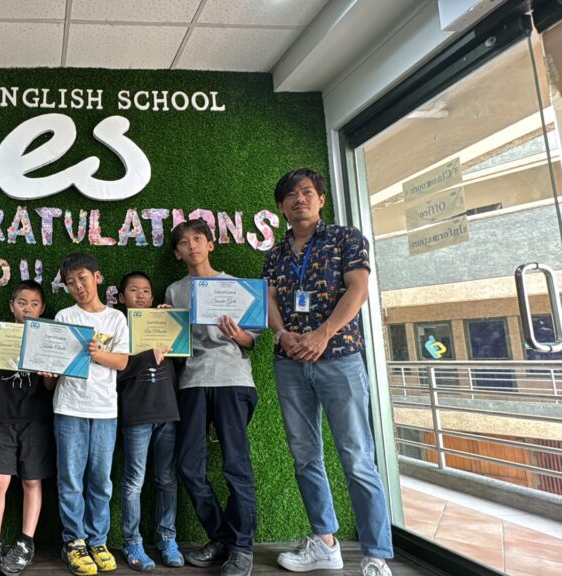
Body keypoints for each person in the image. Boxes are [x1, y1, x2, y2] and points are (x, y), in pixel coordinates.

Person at [263, 168, 393, 576]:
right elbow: (268, 299)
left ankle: (375, 555)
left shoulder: (346, 238)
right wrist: (282, 335)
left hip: (339, 357)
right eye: (291, 195)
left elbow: (358, 289)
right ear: (281, 206)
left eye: (307, 192)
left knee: (357, 458)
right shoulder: (275, 254)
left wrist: (323, 333)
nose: (299, 199)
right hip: (289, 363)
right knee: (305, 457)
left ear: (321, 199)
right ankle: (324, 543)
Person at [165, 219, 259, 576]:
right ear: (178, 253)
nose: (192, 246)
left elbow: (251, 341)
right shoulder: (174, 291)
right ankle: (223, 538)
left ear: (210, 244)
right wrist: (166, 326)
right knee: (188, 465)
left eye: (198, 239)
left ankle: (242, 549)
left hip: (232, 379)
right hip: (192, 381)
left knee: (236, 465)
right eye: (184, 243)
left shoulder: (236, 286)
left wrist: (236, 334)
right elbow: (175, 345)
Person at [52, 252, 129, 576]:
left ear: (97, 277)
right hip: (68, 407)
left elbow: (122, 361)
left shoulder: (116, 319)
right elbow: (54, 359)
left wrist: (98, 354)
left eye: (82, 279)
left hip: (105, 410)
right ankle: (75, 541)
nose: (78, 287)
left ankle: (98, 541)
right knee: (70, 479)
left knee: (100, 479)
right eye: (71, 283)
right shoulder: (63, 316)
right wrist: (49, 371)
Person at [0, 280, 53, 576]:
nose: (27, 309)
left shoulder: (47, 339)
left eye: (34, 304)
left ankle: (25, 543)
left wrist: (51, 373)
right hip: (4, 419)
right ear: (11, 306)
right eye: (22, 303)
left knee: (32, 481)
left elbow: (50, 386)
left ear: (42, 308)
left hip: (36, 420)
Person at [114, 272, 183, 571]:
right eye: (133, 290)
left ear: (153, 297)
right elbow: (114, 372)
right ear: (121, 297)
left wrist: (175, 322)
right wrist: (146, 356)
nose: (140, 295)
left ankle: (167, 538)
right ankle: (132, 542)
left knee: (167, 479)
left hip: (168, 412)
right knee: (134, 481)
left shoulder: (164, 322)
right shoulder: (116, 326)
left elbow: (184, 358)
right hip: (136, 415)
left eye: (146, 291)